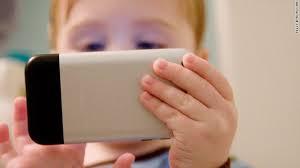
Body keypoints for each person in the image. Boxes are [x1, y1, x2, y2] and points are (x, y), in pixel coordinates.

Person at [0, 0, 250, 167]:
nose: (115, 55)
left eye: (148, 45)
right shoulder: (41, 161)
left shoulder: (209, 160)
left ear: (198, 66)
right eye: (92, 46)